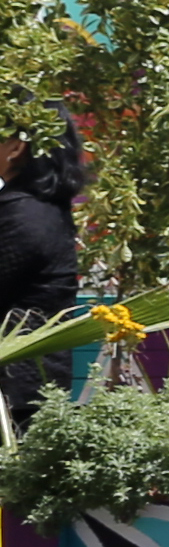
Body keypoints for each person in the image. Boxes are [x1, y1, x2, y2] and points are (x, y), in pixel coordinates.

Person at [0, 126, 83, 425]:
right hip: (30, 388)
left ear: (16, 148)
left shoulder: (23, 214)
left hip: (15, 393)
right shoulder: (39, 208)